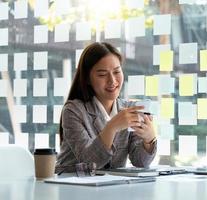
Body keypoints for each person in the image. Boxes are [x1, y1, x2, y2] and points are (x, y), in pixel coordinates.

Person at [55, 42, 157, 173]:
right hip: (71, 184)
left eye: (117, 71)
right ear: (87, 78)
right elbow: (89, 163)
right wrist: (112, 127)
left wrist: (149, 140)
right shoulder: (73, 110)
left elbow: (140, 162)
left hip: (110, 187)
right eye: (102, 74)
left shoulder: (130, 109)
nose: (112, 81)